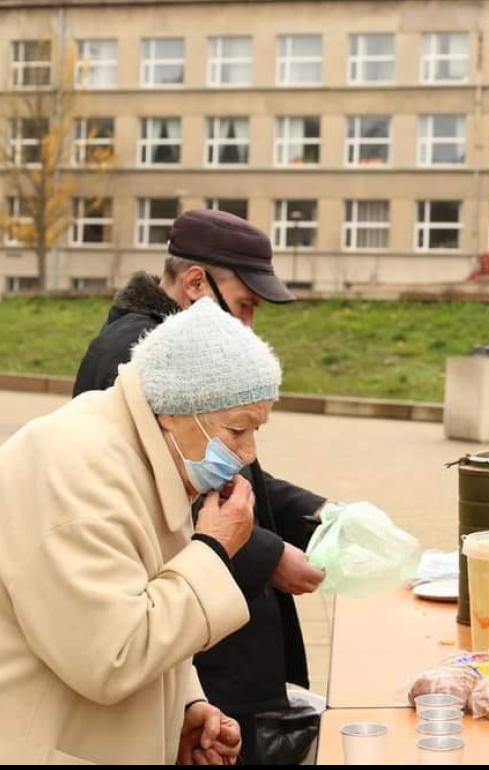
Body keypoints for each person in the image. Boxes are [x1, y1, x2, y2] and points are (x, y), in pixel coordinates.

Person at [73, 208, 327, 763]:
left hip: (195, 650)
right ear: (195, 283)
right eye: (243, 306)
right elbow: (174, 502)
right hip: (202, 646)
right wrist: (266, 554)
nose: (248, 327)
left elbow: (235, 473)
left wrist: (316, 513)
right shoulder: (142, 353)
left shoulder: (172, 348)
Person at [0, 298, 284, 764]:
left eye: (256, 430)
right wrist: (213, 549)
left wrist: (182, 707)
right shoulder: (77, 469)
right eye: (236, 430)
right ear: (174, 411)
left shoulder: (139, 453)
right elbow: (113, 654)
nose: (248, 452)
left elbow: (143, 597)